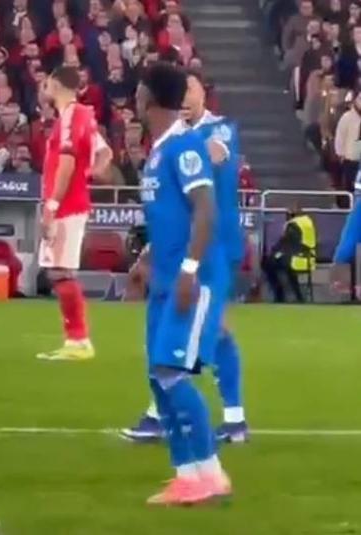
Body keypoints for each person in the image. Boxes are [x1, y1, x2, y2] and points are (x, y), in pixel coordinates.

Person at [121, 70, 249, 444]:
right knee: (216, 331)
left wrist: (182, 144)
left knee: (204, 331)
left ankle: (183, 424)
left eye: (192, 89)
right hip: (187, 245)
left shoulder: (215, 130)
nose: (188, 97)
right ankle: (230, 419)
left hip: (215, 244)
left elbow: (217, 154)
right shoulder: (169, 143)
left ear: (200, 94)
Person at [133, 63, 231, 506]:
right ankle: (186, 474)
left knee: (172, 373)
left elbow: (205, 208)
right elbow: (170, 218)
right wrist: (146, 257)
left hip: (189, 281)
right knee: (158, 376)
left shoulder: (185, 146)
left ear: (151, 98)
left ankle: (211, 472)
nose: (135, 98)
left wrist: (190, 269)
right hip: (164, 280)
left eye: (140, 91)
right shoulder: (158, 151)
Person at [35, 66, 105, 361]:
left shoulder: (70, 117)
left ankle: (78, 340)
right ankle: (76, 339)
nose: (43, 88)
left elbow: (67, 162)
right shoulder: (84, 116)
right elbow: (104, 153)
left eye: (46, 83)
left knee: (61, 271)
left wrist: (52, 206)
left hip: (66, 205)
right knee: (59, 270)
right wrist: (87, 174)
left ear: (56, 85)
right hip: (72, 201)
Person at [261, 205, 316, 303]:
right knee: (283, 266)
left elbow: (286, 244)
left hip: (296, 259)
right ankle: (298, 296)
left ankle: (280, 294)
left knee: (267, 263)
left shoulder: (293, 225)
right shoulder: (307, 222)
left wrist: (275, 253)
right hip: (308, 259)